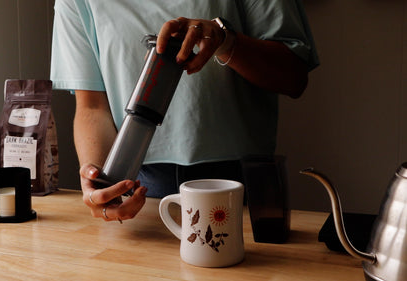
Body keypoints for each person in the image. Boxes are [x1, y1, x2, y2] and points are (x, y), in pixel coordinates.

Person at [50, 0, 319, 222]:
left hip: (243, 181)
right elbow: (92, 106)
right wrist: (100, 182)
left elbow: (294, 77)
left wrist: (226, 41)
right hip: (139, 187)